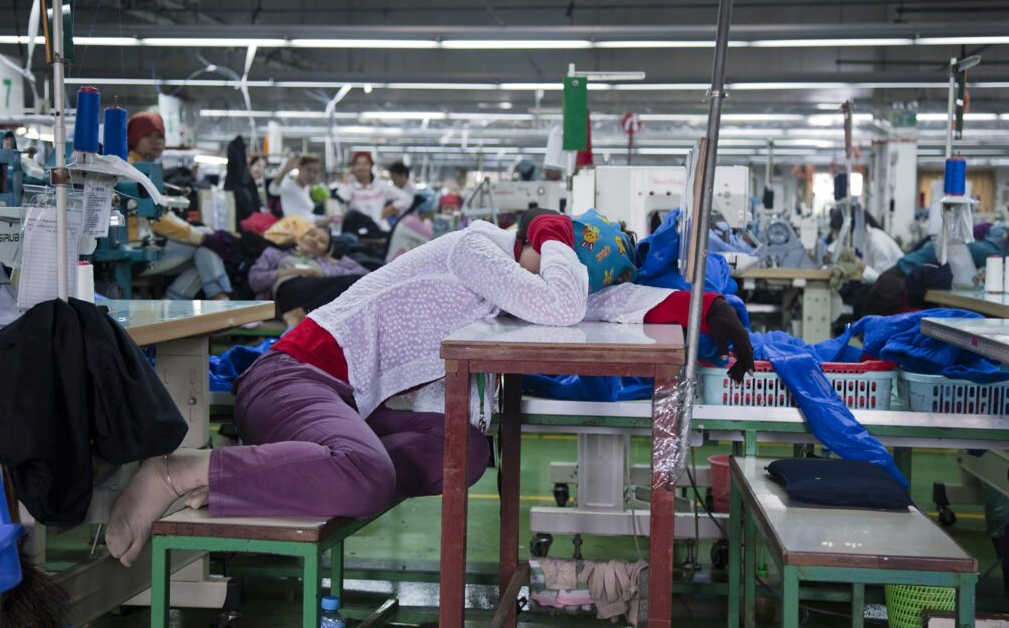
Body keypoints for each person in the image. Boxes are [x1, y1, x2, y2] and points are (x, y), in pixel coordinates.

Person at [104, 213, 753, 567]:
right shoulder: (476, 246)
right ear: (537, 245)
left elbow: (596, 303)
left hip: (345, 405)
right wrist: (552, 230)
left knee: (467, 452)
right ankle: (175, 473)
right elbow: (561, 302)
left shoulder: (507, 281)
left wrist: (707, 310)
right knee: (365, 474)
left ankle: (307, 472)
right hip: (293, 379)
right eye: (560, 258)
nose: (566, 276)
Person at [125, 112, 232, 300]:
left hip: (141, 247)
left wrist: (202, 235)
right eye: (148, 135)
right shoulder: (130, 170)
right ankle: (220, 300)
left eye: (160, 136)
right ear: (134, 137)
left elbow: (160, 213)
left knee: (203, 258)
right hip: (132, 254)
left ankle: (173, 302)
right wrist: (201, 237)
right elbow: (157, 219)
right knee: (206, 250)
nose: (156, 141)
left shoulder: (147, 168)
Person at [247, 226, 370, 326]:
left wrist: (334, 260)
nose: (315, 240)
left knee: (352, 283)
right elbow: (254, 280)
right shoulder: (274, 253)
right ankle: (298, 314)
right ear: (302, 237)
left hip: (312, 297)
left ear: (325, 251)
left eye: (322, 241)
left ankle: (299, 313)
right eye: (312, 235)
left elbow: (365, 276)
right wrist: (290, 271)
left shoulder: (326, 265)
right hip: (285, 292)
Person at [335, 151, 412, 232]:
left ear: (371, 166)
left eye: (365, 164)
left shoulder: (381, 185)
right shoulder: (350, 186)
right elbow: (342, 199)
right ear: (353, 167)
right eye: (358, 164)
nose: (362, 167)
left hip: (379, 230)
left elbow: (407, 199)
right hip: (356, 231)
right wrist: (346, 177)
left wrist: (391, 208)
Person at [268, 153, 323, 222]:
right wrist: (284, 171)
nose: (312, 175)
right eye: (308, 170)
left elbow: (306, 216)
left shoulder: (306, 188)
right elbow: (273, 189)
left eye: (315, 172)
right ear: (300, 168)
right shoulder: (289, 185)